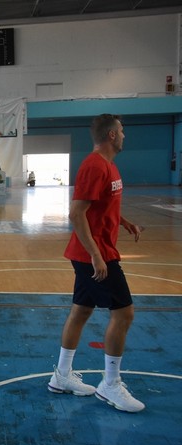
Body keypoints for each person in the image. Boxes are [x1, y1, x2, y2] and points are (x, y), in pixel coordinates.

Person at [47, 114, 145, 413]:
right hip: (95, 254)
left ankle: (62, 376)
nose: (125, 135)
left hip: (95, 250)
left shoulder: (109, 165)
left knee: (81, 311)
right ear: (112, 135)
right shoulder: (94, 165)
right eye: (122, 131)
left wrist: (123, 221)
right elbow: (76, 213)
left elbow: (101, 204)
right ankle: (110, 385)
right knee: (124, 314)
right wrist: (96, 255)